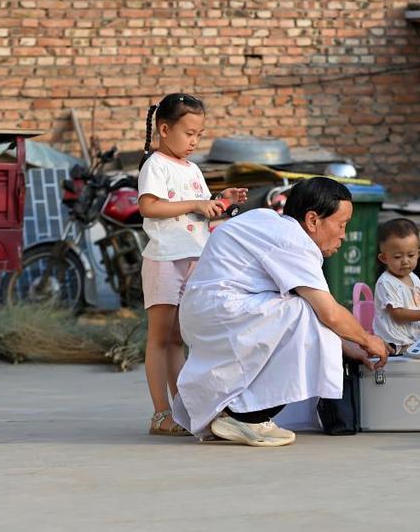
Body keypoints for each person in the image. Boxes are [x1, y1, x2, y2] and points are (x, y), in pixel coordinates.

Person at [172, 177, 389, 447]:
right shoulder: (294, 241)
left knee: (303, 310)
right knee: (302, 310)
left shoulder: (268, 219)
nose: (344, 235)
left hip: (211, 312)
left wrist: (347, 347)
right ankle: (246, 417)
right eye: (341, 225)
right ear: (313, 220)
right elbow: (329, 313)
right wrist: (369, 340)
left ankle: (234, 413)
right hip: (224, 312)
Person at [137, 93, 248, 436]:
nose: (194, 141)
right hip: (164, 261)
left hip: (193, 258)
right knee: (159, 339)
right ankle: (160, 413)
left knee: (179, 339)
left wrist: (219, 202)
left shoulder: (193, 169)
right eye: (189, 133)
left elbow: (196, 210)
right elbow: (149, 207)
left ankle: (183, 410)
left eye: (199, 134)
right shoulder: (155, 165)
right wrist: (198, 204)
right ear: (164, 129)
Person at [372, 218, 420, 355]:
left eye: (410, 255)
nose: (405, 261)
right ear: (384, 258)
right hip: (395, 344)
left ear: (419, 254)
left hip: (415, 339)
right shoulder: (386, 282)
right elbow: (398, 314)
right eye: (397, 257)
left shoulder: (414, 278)